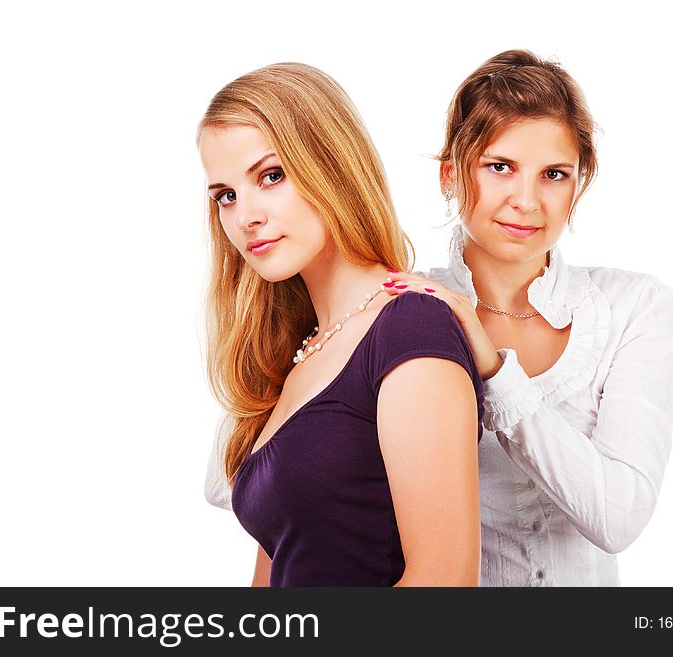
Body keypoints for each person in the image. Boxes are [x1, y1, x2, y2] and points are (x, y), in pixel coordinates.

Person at [205, 50, 673, 587]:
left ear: (581, 182)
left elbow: (618, 517)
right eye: (499, 167)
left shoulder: (633, 307)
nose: (525, 200)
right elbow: (260, 484)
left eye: (554, 174)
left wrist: (498, 374)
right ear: (450, 175)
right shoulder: (399, 307)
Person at [197, 63, 484, 587]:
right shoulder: (293, 358)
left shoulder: (410, 329)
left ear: (328, 164)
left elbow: (445, 584)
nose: (245, 216)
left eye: (271, 176)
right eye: (226, 195)